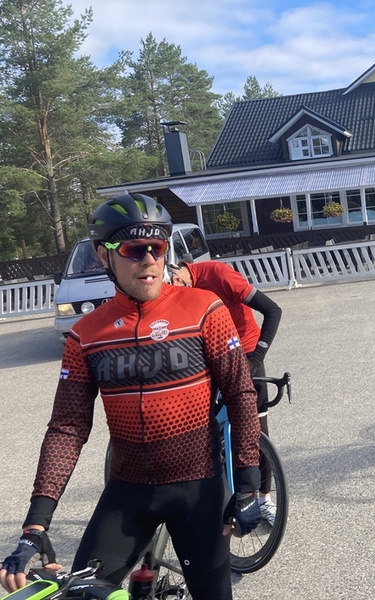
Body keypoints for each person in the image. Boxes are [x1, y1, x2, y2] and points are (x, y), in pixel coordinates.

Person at [0, 193, 262, 600]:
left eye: (157, 247)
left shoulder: (203, 309)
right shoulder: (86, 334)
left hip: (199, 490)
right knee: (80, 595)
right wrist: (36, 525)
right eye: (134, 249)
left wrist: (247, 484)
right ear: (103, 255)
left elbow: (240, 393)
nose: (149, 259)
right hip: (128, 493)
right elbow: (68, 427)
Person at [169, 259, 282, 524]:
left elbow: (273, 310)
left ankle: (264, 499)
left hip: (246, 351)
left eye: (175, 285)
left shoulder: (218, 275)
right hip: (209, 353)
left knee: (257, 429)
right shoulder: (177, 293)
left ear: (176, 274)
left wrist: (257, 357)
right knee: (198, 427)